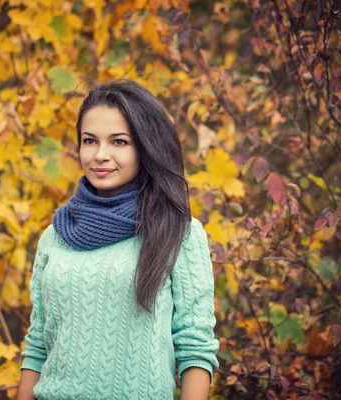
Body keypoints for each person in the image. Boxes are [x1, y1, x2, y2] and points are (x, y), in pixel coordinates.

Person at [16, 79, 219, 400]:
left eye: (119, 142)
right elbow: (39, 342)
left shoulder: (178, 231)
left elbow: (195, 347)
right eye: (89, 140)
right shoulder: (56, 235)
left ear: (145, 146)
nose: (100, 155)